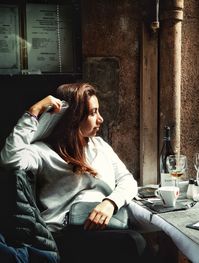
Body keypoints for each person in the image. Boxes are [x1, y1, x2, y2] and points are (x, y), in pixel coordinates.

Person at [0, 82, 149, 263]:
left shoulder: (100, 146)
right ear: (74, 117)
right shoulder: (42, 152)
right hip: (65, 235)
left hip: (105, 227)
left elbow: (127, 181)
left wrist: (110, 203)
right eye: (93, 113)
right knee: (134, 242)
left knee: (142, 241)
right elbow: (9, 159)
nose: (100, 119)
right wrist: (34, 110)